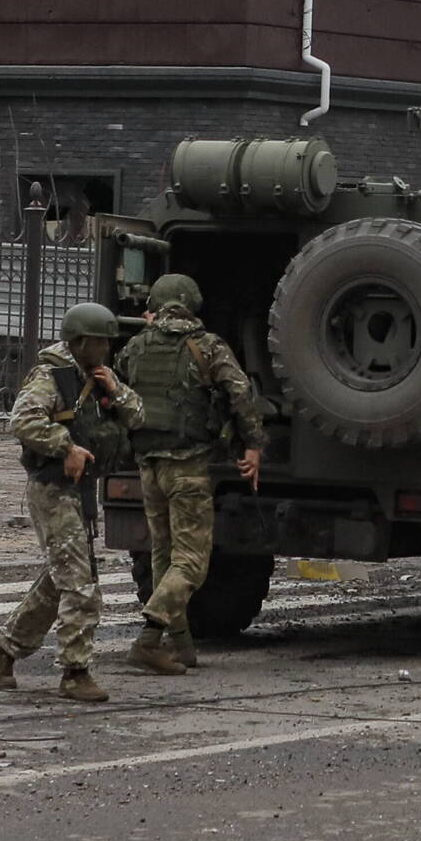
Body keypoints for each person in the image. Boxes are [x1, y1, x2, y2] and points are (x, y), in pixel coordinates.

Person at [0, 302, 145, 702]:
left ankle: (5, 650)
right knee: (80, 584)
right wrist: (66, 446)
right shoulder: (51, 376)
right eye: (100, 341)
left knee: (59, 583)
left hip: (81, 490)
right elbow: (22, 421)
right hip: (53, 488)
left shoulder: (98, 377)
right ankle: (75, 672)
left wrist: (116, 389)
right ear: (80, 341)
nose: (106, 348)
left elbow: (140, 416)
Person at [114, 272, 267, 674]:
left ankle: (181, 646)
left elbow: (118, 383)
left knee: (164, 556)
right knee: (193, 562)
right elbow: (240, 393)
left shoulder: (136, 346)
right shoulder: (207, 346)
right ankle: (149, 638)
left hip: (149, 467)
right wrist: (252, 446)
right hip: (187, 467)